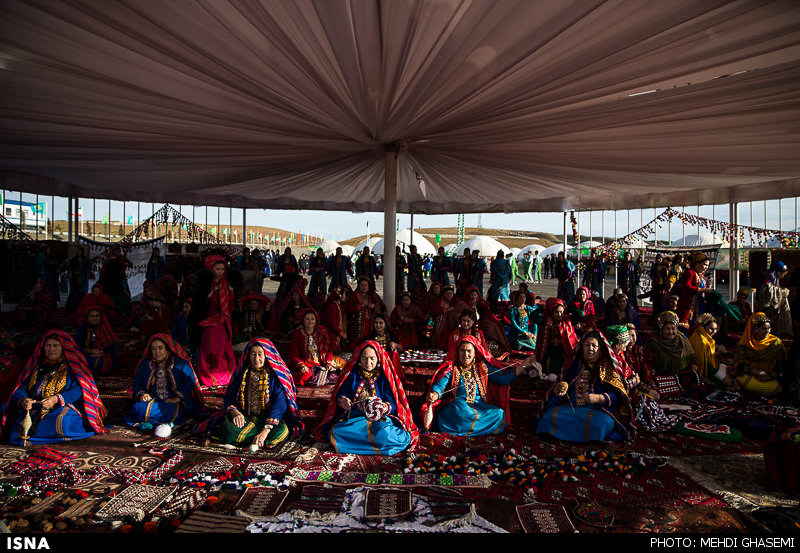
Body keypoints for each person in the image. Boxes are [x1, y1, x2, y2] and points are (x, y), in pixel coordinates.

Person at [2, 330, 108, 445]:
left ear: (63, 347)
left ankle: (38, 436)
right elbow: (20, 388)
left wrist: (55, 399)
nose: (51, 349)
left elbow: (80, 389)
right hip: (36, 407)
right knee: (17, 427)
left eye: (56, 346)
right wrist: (23, 400)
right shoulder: (35, 366)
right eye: (48, 346)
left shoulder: (73, 365)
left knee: (63, 423)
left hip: (63, 406)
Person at [315, 341, 418, 455]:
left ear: (378, 359)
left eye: (372, 358)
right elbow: (340, 395)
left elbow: (393, 405)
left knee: (388, 435)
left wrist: (383, 407)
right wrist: (343, 401)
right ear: (359, 359)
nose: (368, 363)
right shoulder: (351, 375)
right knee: (335, 432)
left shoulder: (384, 377)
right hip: (355, 421)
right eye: (364, 358)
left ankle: (357, 444)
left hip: (379, 422)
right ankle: (376, 446)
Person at [202, 338, 303, 451]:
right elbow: (229, 396)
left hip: (268, 420)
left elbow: (280, 404)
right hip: (246, 418)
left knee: (282, 431)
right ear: (248, 356)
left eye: (260, 354)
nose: (256, 359)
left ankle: (254, 440)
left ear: (267, 356)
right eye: (253, 354)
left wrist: (266, 430)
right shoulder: (243, 374)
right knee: (227, 428)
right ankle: (256, 442)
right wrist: (235, 412)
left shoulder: (275, 376)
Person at [536, 330, 632, 442]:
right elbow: (565, 383)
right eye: (587, 345)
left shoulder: (606, 367)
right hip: (572, 410)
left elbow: (618, 395)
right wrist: (562, 387)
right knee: (549, 416)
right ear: (582, 347)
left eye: (593, 345)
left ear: (600, 349)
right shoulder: (575, 363)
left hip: (597, 413)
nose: (590, 348)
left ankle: (573, 435)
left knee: (603, 423)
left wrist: (599, 398)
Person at [421, 335, 524, 436]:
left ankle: (466, 429)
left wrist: (523, 366)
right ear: (458, 351)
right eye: (462, 350)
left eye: (469, 351)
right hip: (459, 406)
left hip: (480, 405)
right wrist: (435, 393)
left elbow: (503, 379)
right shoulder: (453, 368)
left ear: (475, 352)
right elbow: (441, 384)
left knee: (499, 414)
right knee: (462, 414)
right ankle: (479, 429)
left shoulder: (482, 367)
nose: (465, 355)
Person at [123, 334, 206, 435]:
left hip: (172, 402)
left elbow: (190, 381)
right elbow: (137, 382)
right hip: (152, 401)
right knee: (139, 409)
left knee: (171, 411)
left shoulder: (179, 363)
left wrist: (177, 398)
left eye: (160, 348)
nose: (157, 352)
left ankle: (151, 422)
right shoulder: (146, 364)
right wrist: (142, 394)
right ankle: (162, 423)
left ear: (168, 349)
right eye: (154, 349)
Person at [190, 255, 236, 387]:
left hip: (223, 322)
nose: (220, 272)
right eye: (217, 269)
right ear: (211, 269)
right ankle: (210, 378)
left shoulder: (226, 284)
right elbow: (198, 306)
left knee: (224, 350)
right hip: (208, 323)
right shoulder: (203, 285)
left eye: (222, 269)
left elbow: (231, 305)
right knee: (210, 351)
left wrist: (231, 293)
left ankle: (225, 377)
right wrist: (207, 296)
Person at [644, 311, 705, 399]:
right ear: (661, 330)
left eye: (673, 328)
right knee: (656, 385)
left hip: (683, 375)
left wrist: (693, 366)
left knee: (695, 378)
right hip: (663, 376)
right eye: (667, 329)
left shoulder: (683, 341)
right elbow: (648, 363)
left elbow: (692, 359)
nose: (671, 332)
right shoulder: (654, 344)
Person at [730, 313, 786, 397]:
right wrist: (753, 372)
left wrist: (769, 376)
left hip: (768, 376)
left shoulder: (775, 342)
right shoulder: (746, 342)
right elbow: (739, 362)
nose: (767, 331)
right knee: (740, 380)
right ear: (754, 329)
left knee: (778, 388)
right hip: (750, 374)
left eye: (769, 328)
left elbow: (781, 362)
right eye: (763, 328)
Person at [289, 308, 342, 386]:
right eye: (307, 319)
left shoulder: (322, 333)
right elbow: (294, 353)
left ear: (316, 321)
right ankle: (317, 379)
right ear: (303, 321)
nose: (310, 321)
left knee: (336, 375)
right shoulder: (297, 334)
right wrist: (301, 365)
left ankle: (318, 379)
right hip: (306, 366)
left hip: (320, 366)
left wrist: (328, 363)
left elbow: (328, 351)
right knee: (304, 375)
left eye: (312, 319)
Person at [534, 297, 579, 377]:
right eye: (556, 312)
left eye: (561, 312)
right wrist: (542, 308)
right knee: (550, 369)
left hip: (565, 351)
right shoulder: (546, 322)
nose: (559, 315)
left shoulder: (567, 321)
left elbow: (580, 313)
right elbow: (532, 316)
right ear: (551, 312)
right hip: (551, 353)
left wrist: (567, 308)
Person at [74, 307, 118, 375]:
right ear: (87, 317)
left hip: (103, 353)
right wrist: (88, 350)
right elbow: (76, 345)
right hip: (87, 353)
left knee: (106, 361)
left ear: (100, 317)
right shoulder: (83, 329)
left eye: (97, 316)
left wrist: (101, 352)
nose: (94, 318)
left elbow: (112, 344)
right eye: (92, 316)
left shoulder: (105, 328)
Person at [755, 261, 792, 338]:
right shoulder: (769, 277)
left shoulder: (775, 278)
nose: (782, 276)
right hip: (763, 304)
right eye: (782, 273)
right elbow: (766, 289)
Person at [346, 277, 386, 345]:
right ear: (358, 286)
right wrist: (359, 307)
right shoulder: (355, 295)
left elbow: (381, 306)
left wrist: (374, 306)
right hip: (357, 323)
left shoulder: (372, 295)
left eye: (365, 285)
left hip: (369, 322)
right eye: (362, 285)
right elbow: (348, 308)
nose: (364, 287)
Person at [676, 251, 710, 326]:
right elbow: (686, 287)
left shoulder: (701, 275)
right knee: (686, 325)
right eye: (704, 264)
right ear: (697, 264)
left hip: (700, 304)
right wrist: (702, 290)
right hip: (688, 305)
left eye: (707, 265)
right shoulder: (690, 273)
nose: (706, 267)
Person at [688, 313, 722, 379]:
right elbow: (702, 363)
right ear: (703, 328)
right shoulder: (700, 341)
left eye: (715, 329)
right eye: (711, 328)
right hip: (699, 373)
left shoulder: (707, 338)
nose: (714, 331)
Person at [431, 285, 465, 350]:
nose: (449, 295)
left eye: (450, 293)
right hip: (442, 327)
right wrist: (445, 310)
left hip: (454, 326)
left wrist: (459, 315)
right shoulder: (439, 302)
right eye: (447, 293)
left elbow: (466, 311)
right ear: (444, 294)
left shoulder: (458, 302)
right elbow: (434, 311)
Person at [321, 286, 348, 351]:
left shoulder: (336, 305)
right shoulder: (333, 306)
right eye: (344, 294)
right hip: (332, 336)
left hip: (334, 335)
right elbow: (332, 323)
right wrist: (341, 333)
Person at [66, 247, 91, 311]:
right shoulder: (73, 260)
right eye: (77, 251)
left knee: (82, 292)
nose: (78, 252)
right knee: (74, 292)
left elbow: (88, 267)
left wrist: (83, 272)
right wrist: (75, 272)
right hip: (75, 278)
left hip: (83, 277)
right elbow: (71, 267)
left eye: (79, 251)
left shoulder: (86, 259)